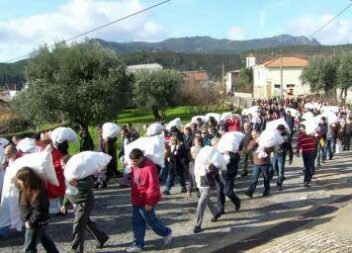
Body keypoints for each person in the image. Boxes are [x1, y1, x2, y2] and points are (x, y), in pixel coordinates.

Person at [126, 149, 172, 253]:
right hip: (137, 199)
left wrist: (149, 202)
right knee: (137, 222)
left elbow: (153, 187)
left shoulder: (150, 168)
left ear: (141, 158)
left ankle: (166, 232)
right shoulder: (135, 166)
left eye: (135, 161)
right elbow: (134, 180)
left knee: (151, 221)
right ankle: (138, 244)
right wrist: (129, 171)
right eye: (132, 161)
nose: (133, 163)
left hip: (146, 200)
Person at [60, 155, 109, 253]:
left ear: (69, 164)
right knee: (86, 223)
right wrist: (64, 204)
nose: (61, 167)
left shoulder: (81, 173)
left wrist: (77, 183)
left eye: (62, 165)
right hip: (76, 204)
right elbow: (68, 190)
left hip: (84, 202)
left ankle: (77, 249)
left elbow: (90, 184)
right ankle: (101, 237)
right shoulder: (67, 174)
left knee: (78, 225)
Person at [14, 167, 59, 253]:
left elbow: (39, 211)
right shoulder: (25, 189)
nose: (18, 182)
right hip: (36, 223)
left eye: (20, 180)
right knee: (45, 240)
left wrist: (30, 222)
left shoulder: (38, 192)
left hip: (36, 224)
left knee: (29, 248)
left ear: (27, 181)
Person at [194, 161, 221, 234]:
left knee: (201, 203)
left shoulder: (206, 161)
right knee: (206, 200)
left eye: (194, 153)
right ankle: (216, 213)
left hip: (207, 185)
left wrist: (218, 180)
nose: (192, 154)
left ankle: (198, 225)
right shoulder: (193, 163)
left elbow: (215, 170)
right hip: (199, 185)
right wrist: (191, 187)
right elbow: (192, 175)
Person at [244, 130, 273, 198]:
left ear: (259, 134)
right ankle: (250, 192)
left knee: (266, 178)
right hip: (256, 163)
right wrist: (256, 142)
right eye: (252, 135)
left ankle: (267, 191)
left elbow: (272, 149)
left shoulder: (266, 140)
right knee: (254, 178)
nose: (254, 136)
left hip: (265, 163)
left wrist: (265, 149)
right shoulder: (252, 141)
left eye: (255, 134)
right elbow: (248, 148)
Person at [271, 125, 292, 191]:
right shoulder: (275, 134)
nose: (279, 132)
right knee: (274, 168)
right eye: (278, 130)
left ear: (283, 130)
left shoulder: (287, 136)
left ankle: (279, 184)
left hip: (281, 155)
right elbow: (271, 143)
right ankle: (279, 178)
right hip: (274, 154)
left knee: (281, 171)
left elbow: (289, 147)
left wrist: (290, 158)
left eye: (280, 130)